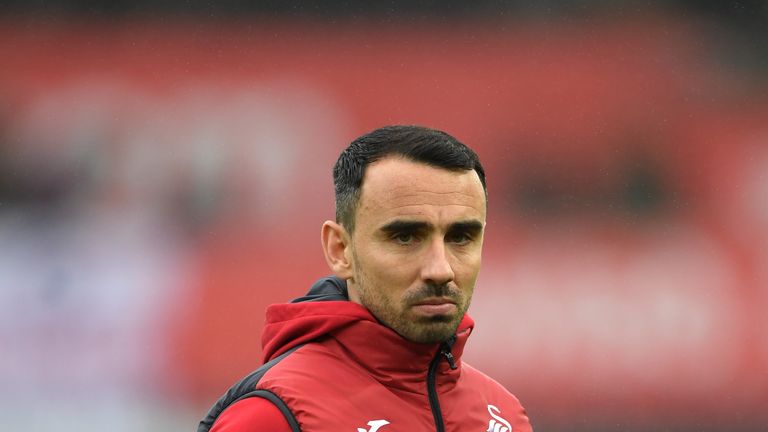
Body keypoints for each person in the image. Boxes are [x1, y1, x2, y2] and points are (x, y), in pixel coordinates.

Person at [198, 125, 533, 432]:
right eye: (405, 237)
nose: (440, 269)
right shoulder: (273, 416)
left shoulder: (504, 414)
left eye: (461, 237)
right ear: (340, 249)